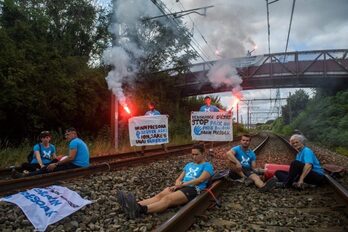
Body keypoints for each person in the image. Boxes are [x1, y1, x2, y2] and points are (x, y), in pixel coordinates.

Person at [117, 143, 214, 218]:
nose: (194, 157)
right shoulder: (189, 165)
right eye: (192, 154)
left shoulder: (207, 166)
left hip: (194, 189)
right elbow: (179, 178)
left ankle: (139, 210)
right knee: (159, 196)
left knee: (167, 199)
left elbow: (200, 180)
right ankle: (132, 205)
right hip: (182, 186)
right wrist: (177, 184)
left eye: (196, 154)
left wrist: (183, 184)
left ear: (203, 153)